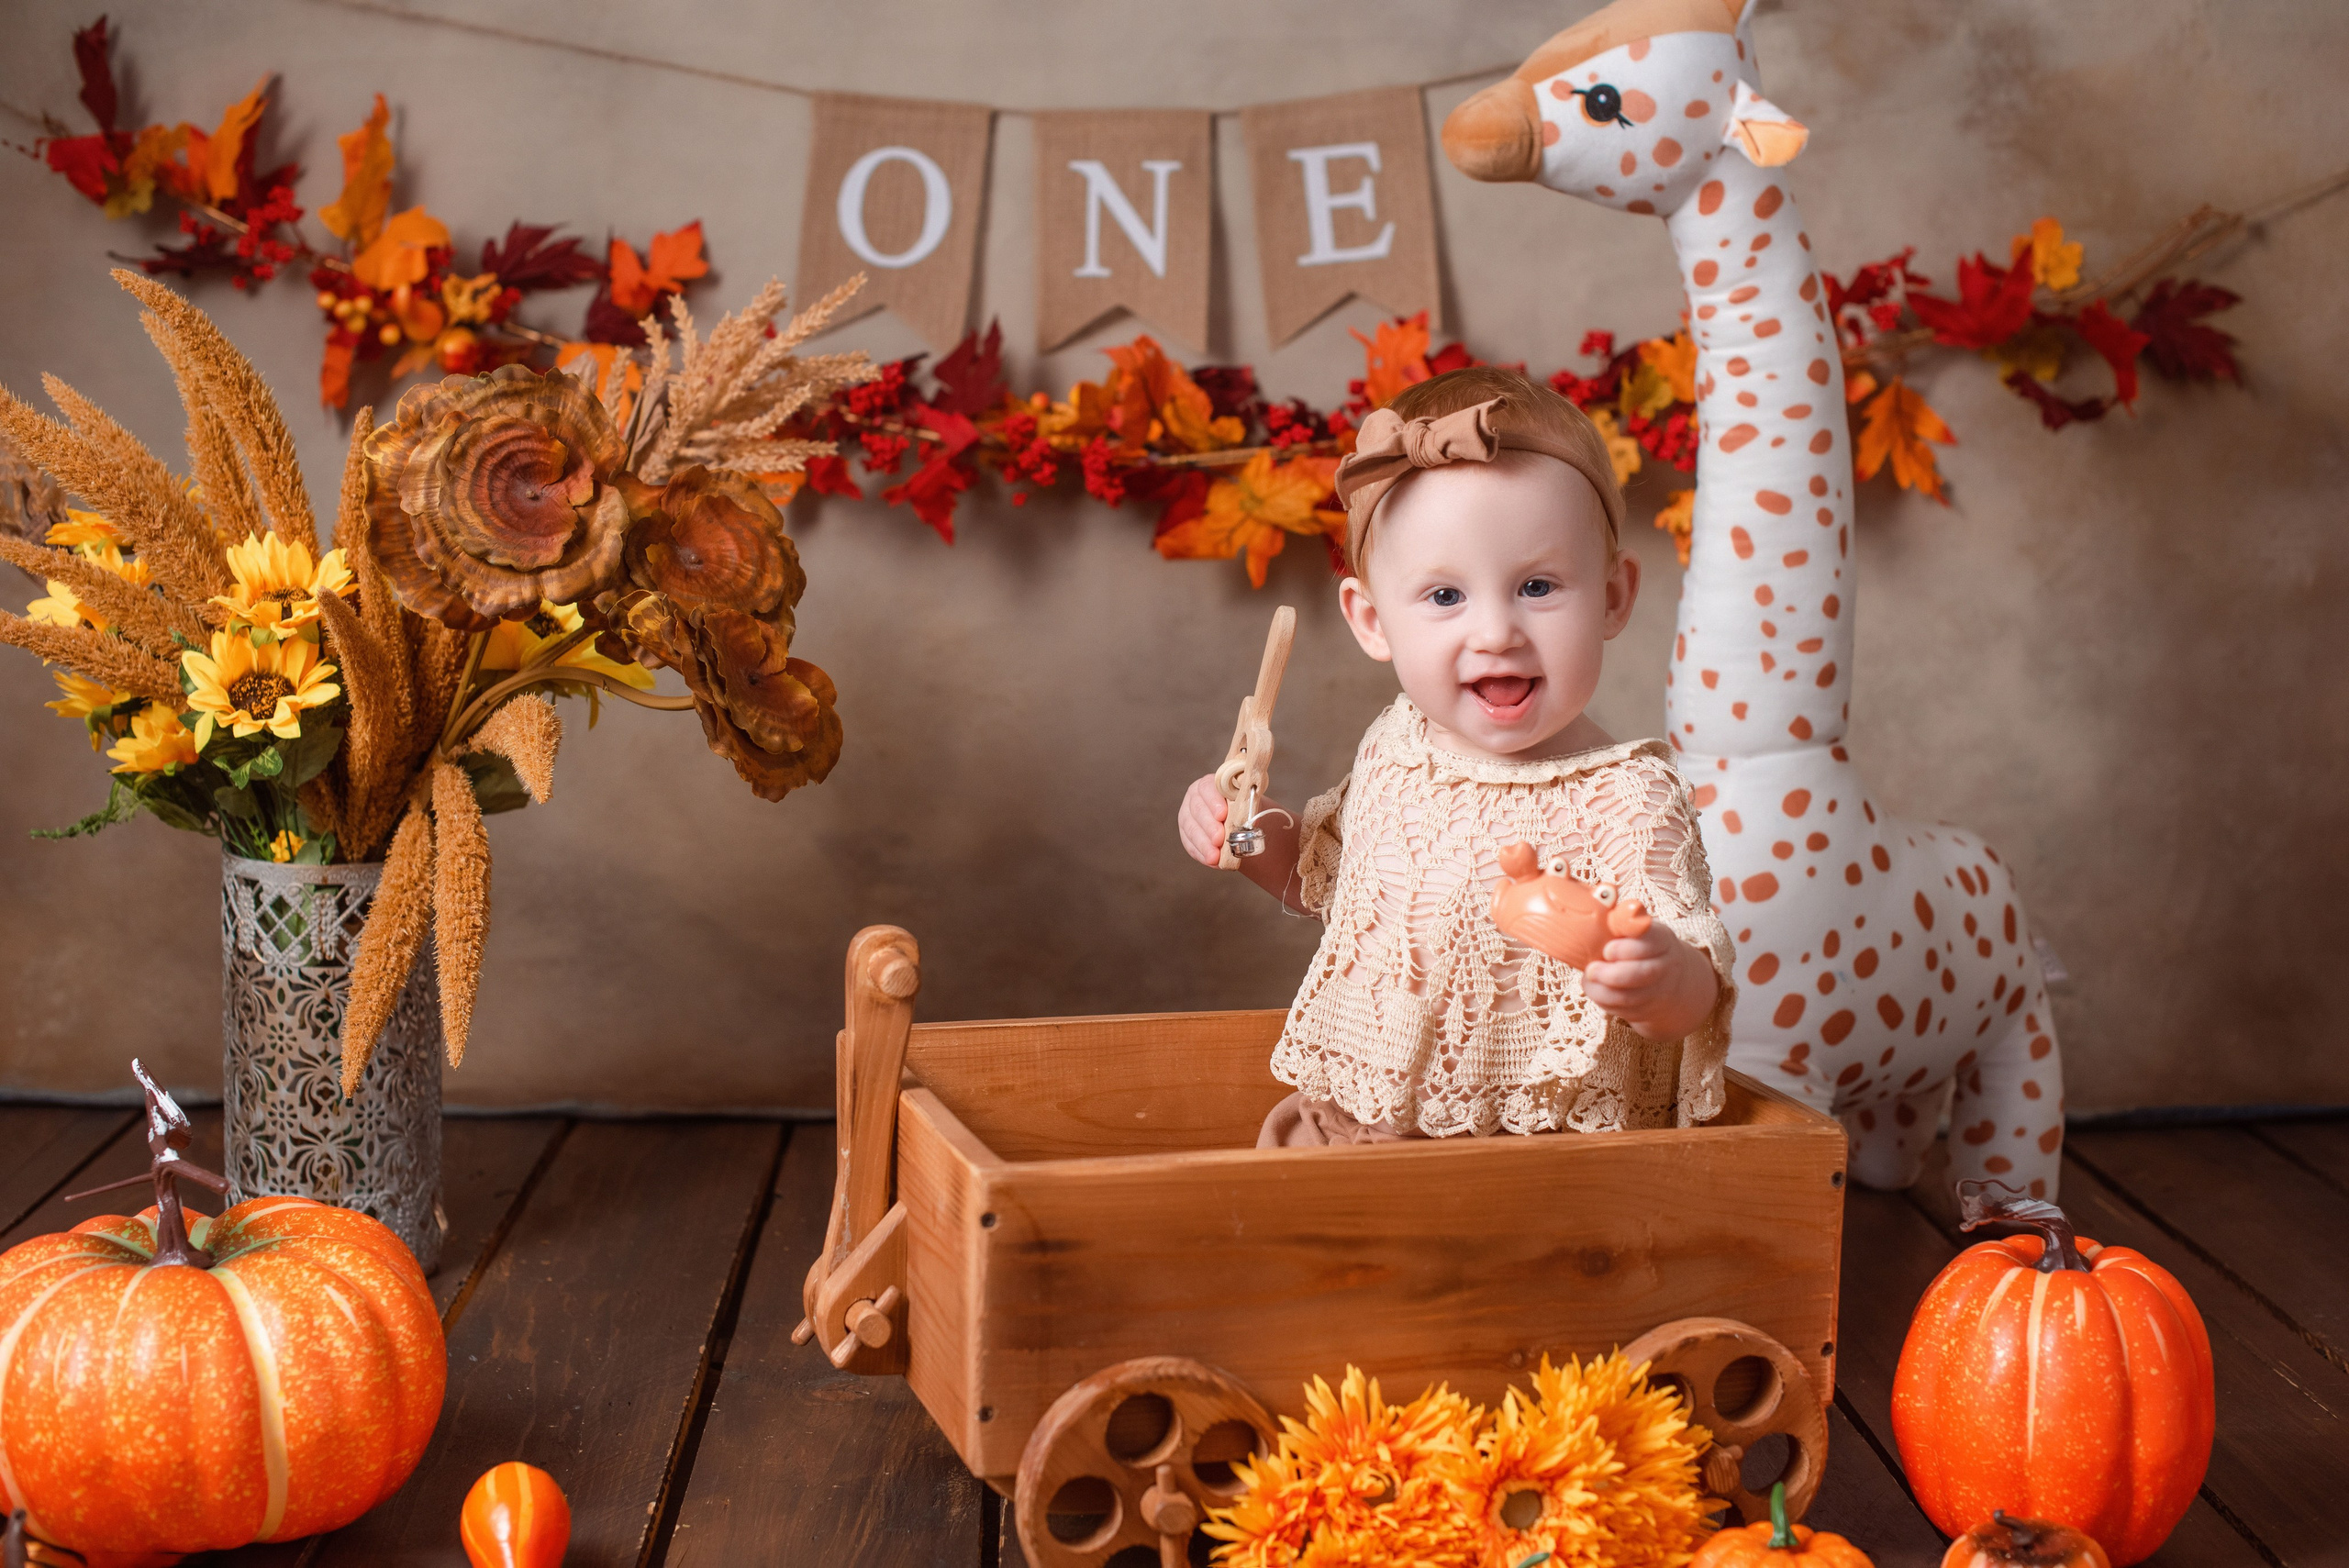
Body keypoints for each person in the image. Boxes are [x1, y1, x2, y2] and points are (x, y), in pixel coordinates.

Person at [1175, 366, 1736, 1146]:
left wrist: (1661, 978)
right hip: (1367, 1125)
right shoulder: (1396, 751)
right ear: (1372, 622)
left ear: (1612, 598)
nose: (1496, 632)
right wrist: (1239, 834)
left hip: (1548, 1151)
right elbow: (1328, 887)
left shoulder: (1629, 797)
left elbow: (1698, 991)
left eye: (1538, 585)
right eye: (1445, 597)